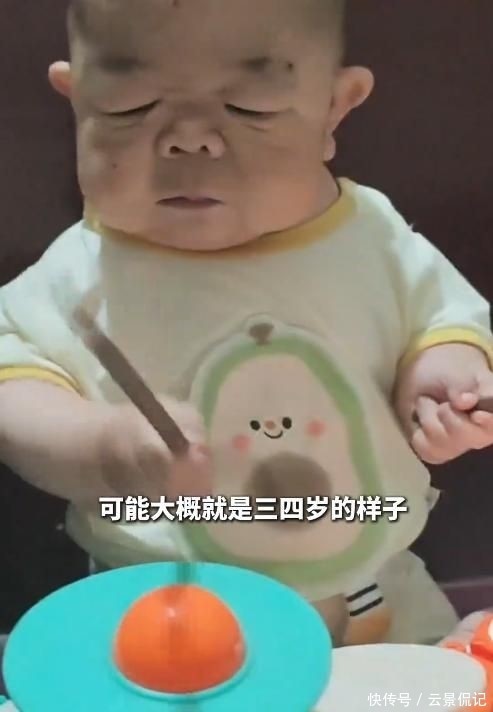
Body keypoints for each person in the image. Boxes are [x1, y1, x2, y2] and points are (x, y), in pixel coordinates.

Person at [1, 0, 492, 649]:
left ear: (333, 108)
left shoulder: (372, 235)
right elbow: (14, 390)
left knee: (433, 683)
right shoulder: (79, 273)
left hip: (371, 589)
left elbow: (442, 319)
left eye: (250, 108)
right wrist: (103, 447)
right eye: (129, 108)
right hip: (162, 613)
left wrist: (440, 382)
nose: (190, 141)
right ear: (78, 102)